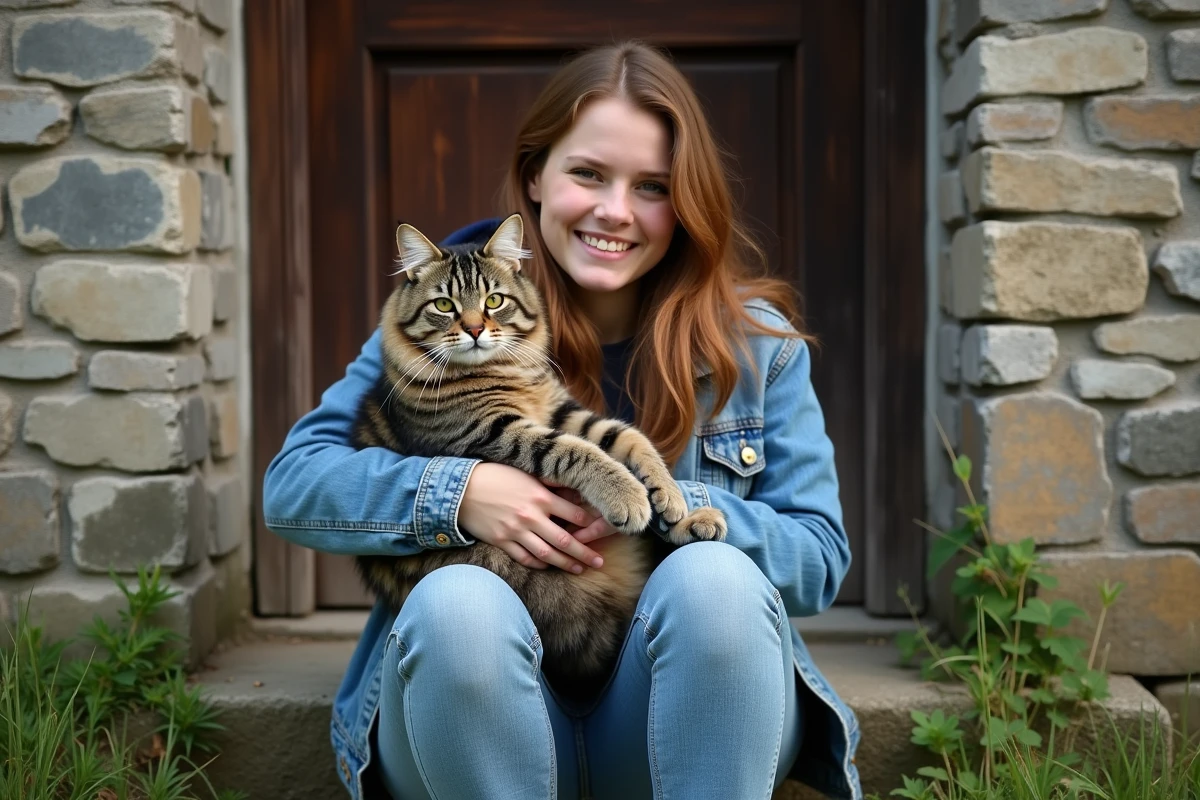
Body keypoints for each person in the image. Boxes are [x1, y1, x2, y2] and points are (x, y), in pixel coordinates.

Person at [263, 41, 862, 800]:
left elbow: (817, 559)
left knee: (715, 582)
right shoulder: (440, 316)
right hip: (480, 720)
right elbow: (294, 486)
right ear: (535, 176)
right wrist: (461, 493)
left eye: (652, 186)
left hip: (666, 716)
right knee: (457, 606)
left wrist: (666, 511)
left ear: (685, 202)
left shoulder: (756, 344)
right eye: (588, 173)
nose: (616, 210)